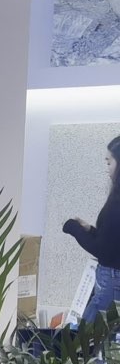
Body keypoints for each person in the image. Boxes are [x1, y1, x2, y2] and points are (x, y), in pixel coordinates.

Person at [64, 135, 120, 324]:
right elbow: (113, 242)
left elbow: (102, 250)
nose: (107, 168)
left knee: (91, 334)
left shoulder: (116, 203)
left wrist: (73, 228)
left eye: (109, 162)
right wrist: (90, 230)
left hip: (112, 280)